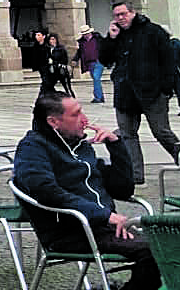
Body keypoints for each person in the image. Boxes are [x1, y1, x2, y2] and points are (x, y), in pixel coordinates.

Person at [13, 94, 159, 290]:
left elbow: (123, 189)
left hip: (102, 226)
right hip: (70, 230)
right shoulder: (32, 148)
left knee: (172, 244)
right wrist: (103, 214)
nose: (85, 120)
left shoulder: (80, 146)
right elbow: (46, 191)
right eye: (76, 114)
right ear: (53, 122)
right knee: (154, 252)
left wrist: (116, 146)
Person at [98, 1, 180, 185]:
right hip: (125, 92)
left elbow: (168, 60)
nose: (120, 18)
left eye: (123, 14)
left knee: (161, 132)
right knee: (128, 134)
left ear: (132, 12)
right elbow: (105, 59)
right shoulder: (117, 34)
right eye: (117, 15)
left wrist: (166, 89)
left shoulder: (153, 31)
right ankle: (135, 175)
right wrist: (110, 39)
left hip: (152, 92)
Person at [75, 25, 106, 104]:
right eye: (84, 34)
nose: (86, 35)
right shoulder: (82, 42)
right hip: (89, 63)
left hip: (98, 61)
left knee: (96, 78)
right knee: (96, 80)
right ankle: (100, 96)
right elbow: (79, 52)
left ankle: (97, 97)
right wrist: (75, 59)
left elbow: (105, 47)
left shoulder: (98, 39)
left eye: (87, 33)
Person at [44, 33, 73, 98]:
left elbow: (65, 59)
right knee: (47, 86)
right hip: (53, 70)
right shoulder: (48, 49)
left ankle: (72, 99)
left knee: (67, 86)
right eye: (50, 39)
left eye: (53, 39)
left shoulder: (61, 49)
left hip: (60, 69)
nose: (52, 41)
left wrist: (58, 63)